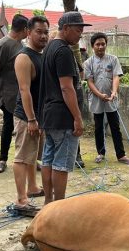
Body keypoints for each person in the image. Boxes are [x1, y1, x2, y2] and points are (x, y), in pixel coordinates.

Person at [38, 11, 90, 204]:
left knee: (48, 159)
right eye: (78, 30)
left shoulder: (50, 48)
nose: (79, 35)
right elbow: (66, 87)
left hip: (50, 115)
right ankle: (59, 204)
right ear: (66, 28)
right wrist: (77, 117)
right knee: (61, 164)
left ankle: (49, 202)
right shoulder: (63, 52)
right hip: (63, 116)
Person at [12, 16, 50, 215]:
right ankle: (21, 200)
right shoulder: (24, 57)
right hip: (26, 116)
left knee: (32, 154)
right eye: (39, 32)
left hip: (38, 116)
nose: (43, 36)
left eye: (46, 32)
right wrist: (32, 119)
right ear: (28, 32)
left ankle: (33, 188)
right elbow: (24, 90)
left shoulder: (41, 55)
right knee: (22, 157)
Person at [84, 32, 129, 165]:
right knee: (98, 127)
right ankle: (100, 153)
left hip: (111, 99)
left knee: (115, 126)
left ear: (106, 45)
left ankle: (121, 155)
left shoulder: (113, 59)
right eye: (97, 44)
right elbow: (89, 81)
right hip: (96, 99)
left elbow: (116, 76)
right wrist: (99, 95)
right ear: (92, 46)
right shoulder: (88, 63)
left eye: (103, 44)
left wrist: (114, 92)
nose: (100, 47)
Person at [0, 14, 28, 174]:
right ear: (25, 29)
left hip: (22, 94)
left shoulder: (21, 44)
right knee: (8, 125)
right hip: (8, 94)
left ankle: (28, 160)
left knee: (24, 127)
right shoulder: (4, 44)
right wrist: (0, 87)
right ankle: (2, 159)